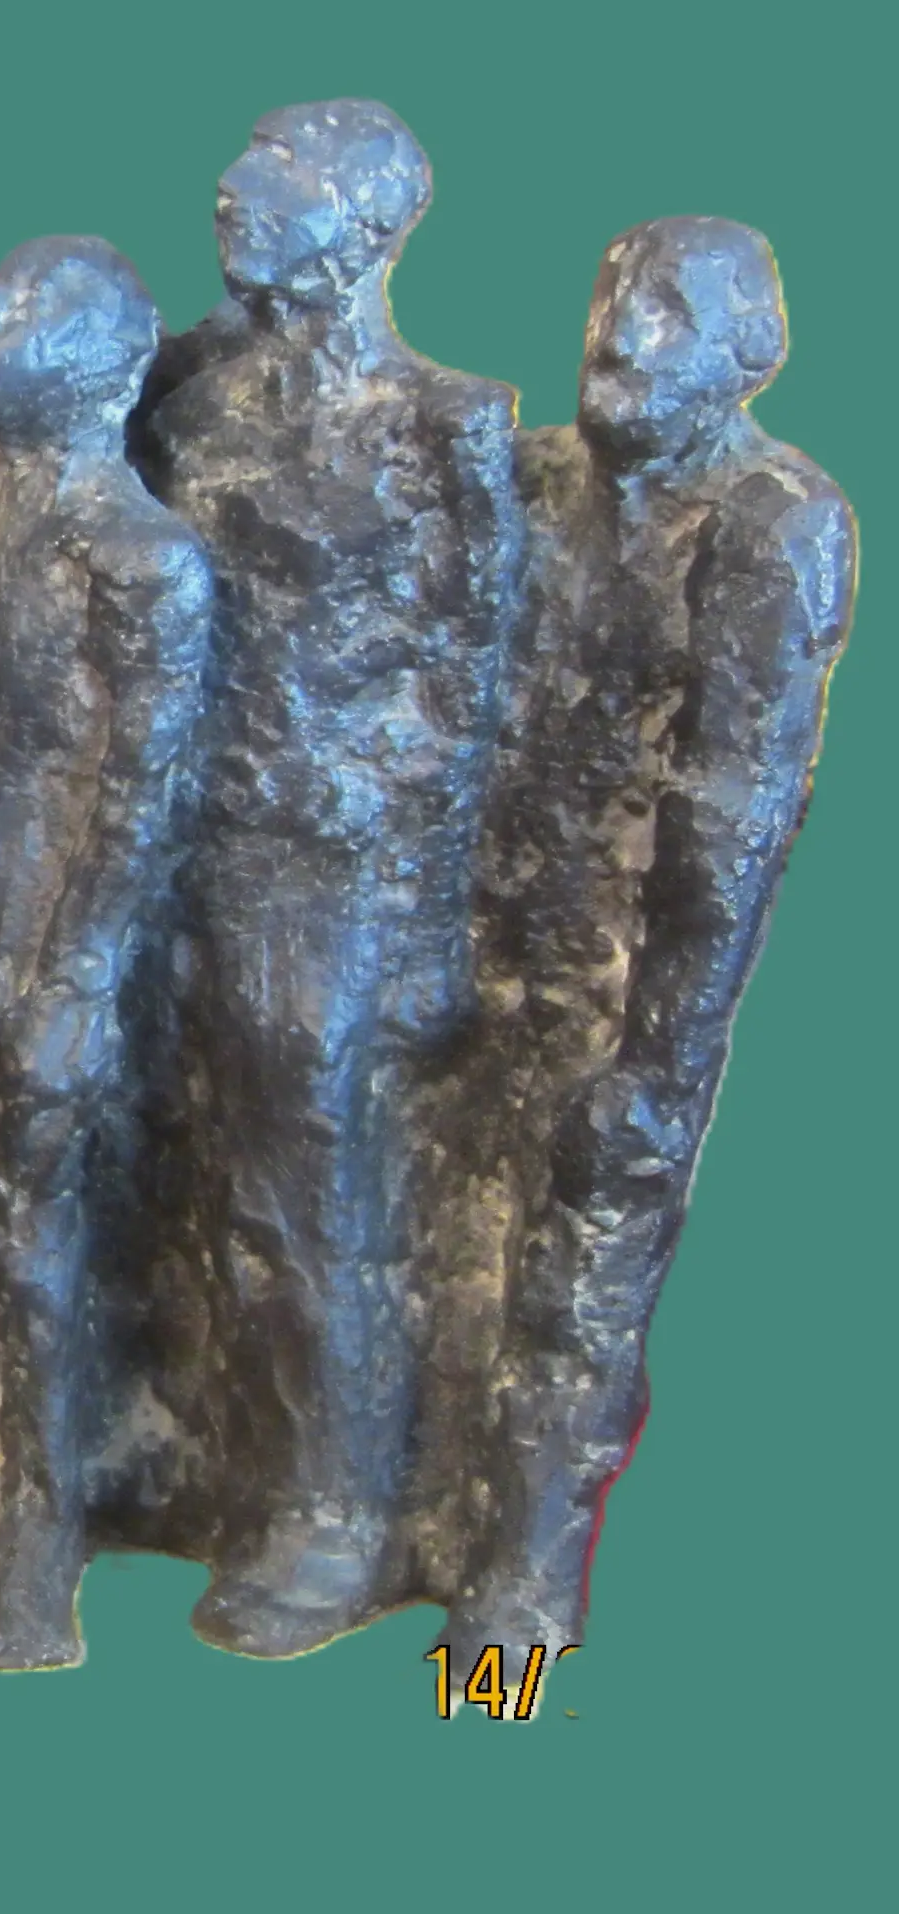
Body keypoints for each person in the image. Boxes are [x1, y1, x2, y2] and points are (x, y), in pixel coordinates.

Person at [131, 101, 523, 1656]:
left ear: (368, 225)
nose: (240, 188)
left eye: (285, 171)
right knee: (194, 1174)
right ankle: (201, 1451)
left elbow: (463, 695)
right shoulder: (189, 394)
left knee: (316, 1196)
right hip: (177, 854)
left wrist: (422, 923)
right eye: (249, 158)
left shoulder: (445, 428)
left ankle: (338, 1507)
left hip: (331, 881)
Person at [442, 217, 854, 1660]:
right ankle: (420, 1541)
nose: (619, 335)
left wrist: (659, 1062)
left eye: (669, 313)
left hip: (621, 993)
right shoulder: (533, 479)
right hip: (470, 950)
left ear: (751, 356)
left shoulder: (773, 524)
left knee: (573, 1294)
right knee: (440, 1264)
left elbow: (734, 823)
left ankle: (504, 1653)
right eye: (613, 299)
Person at [0, 237, 214, 1668]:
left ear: (101, 366)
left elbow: (142, 793)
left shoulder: (143, 562)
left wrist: (78, 979)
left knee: (41, 1230)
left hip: (49, 938)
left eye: (30, 305)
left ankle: (42, 1532)